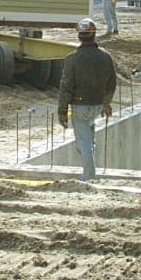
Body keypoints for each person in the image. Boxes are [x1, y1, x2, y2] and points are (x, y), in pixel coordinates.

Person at [57, 17, 117, 182]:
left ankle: (88, 177)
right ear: (94, 35)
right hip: (97, 105)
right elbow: (111, 83)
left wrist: (62, 112)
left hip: (80, 106)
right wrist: (106, 104)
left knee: (83, 143)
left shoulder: (72, 58)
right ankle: (90, 172)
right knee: (89, 140)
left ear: (79, 36)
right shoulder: (105, 57)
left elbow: (66, 88)